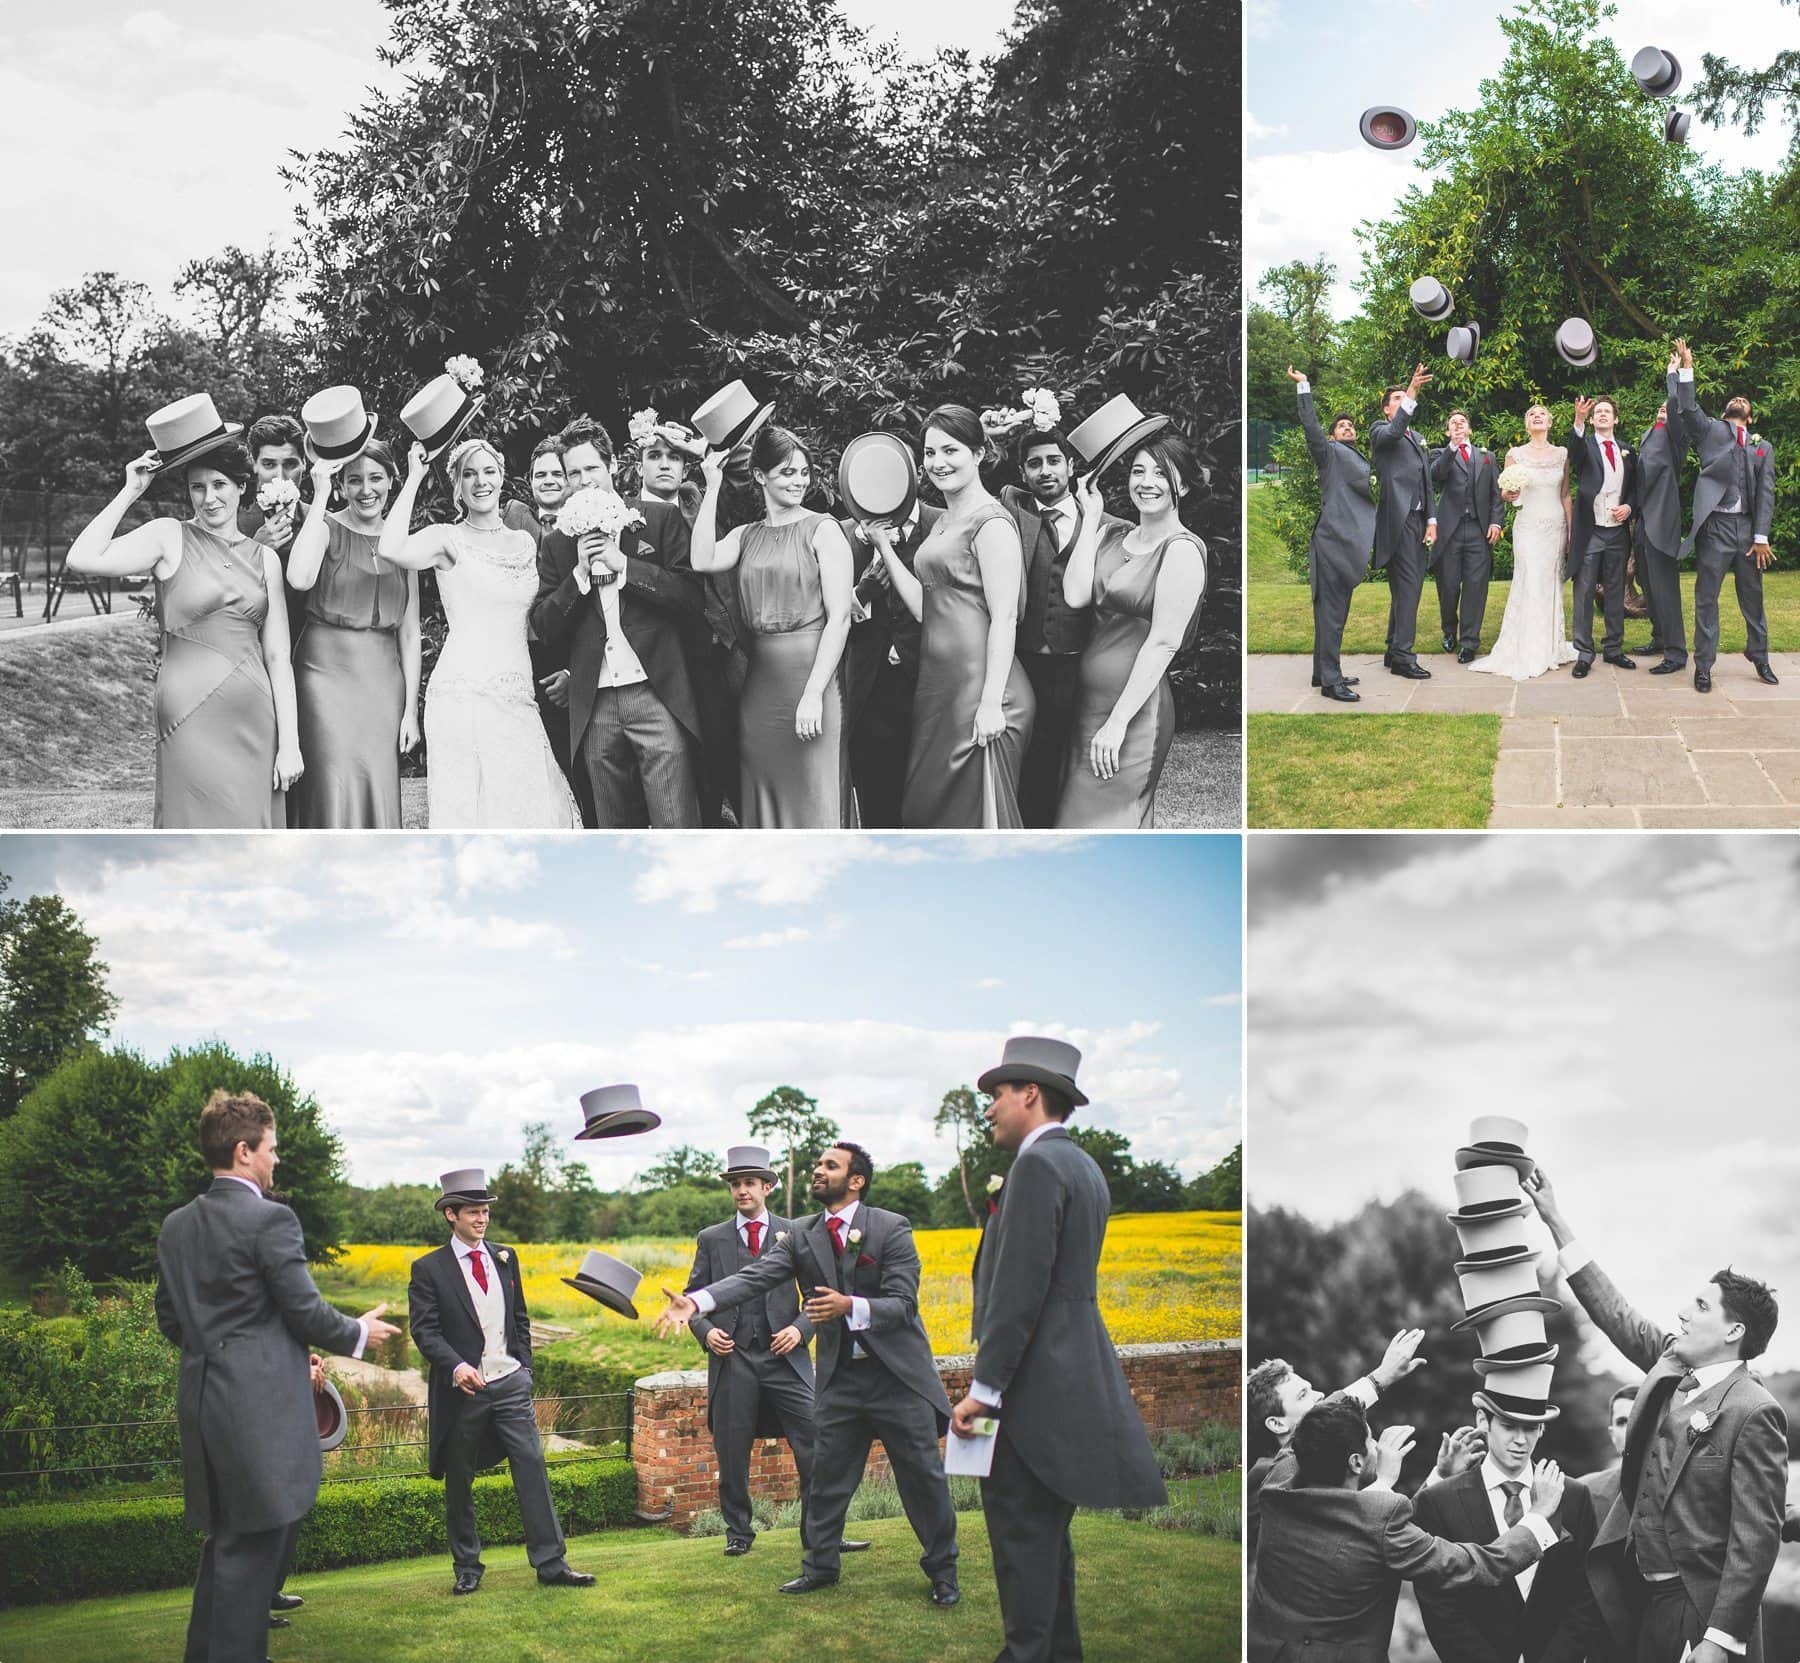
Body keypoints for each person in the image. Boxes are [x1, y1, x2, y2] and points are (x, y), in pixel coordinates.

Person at [653, 1143, 960, 1607]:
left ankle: (943, 1573)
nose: (818, 1171)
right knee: (827, 1477)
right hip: (840, 1382)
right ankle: (819, 1567)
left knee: (921, 1479)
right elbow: (755, 1277)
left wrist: (849, 1306)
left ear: (855, 1181)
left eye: (829, 1166)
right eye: (817, 1165)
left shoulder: (891, 1227)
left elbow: (904, 1305)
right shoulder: (801, 1234)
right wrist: (697, 1302)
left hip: (898, 1380)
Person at [155, 1089, 396, 1663]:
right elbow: (304, 1310)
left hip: (203, 1404)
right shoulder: (270, 1220)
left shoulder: (176, 1226)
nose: (276, 1160)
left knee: (226, 1546)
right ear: (244, 1151)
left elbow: (171, 1319)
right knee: (251, 1550)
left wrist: (230, 1354)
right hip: (255, 1414)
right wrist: (358, 1333)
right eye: (271, 1149)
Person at [949, 1037, 1166, 1662]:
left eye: (995, 1096)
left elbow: (1019, 1294)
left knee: (1021, 1542)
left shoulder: (1038, 1167)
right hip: (1073, 1379)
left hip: (1031, 1392)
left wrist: (984, 1394)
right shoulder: (1085, 1167)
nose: (988, 1109)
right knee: (1047, 1547)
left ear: (1030, 1094)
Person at [1527, 1168, 1787, 1663]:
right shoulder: (1670, 1364)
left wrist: (1720, 1639)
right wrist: (1555, 1220)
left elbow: (1755, 1540)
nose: (1683, 1312)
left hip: (1703, 1612)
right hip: (1648, 1602)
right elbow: (1615, 1312)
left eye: (1700, 1305)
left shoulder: (1755, 1411)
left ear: (1733, 1331)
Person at [65, 411, 300, 827]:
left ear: (242, 486)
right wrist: (130, 491)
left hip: (254, 717)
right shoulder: (168, 536)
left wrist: (290, 745)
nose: (210, 498)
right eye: (198, 487)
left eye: (219, 485)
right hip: (187, 713)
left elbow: (279, 656)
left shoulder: (265, 558)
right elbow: (81, 558)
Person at [1249, 1397, 1564, 1663]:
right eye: (1372, 1441)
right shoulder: (1379, 1522)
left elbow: (1371, 1532)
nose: (1379, 1447)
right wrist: (1537, 1518)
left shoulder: (1274, 1490)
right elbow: (1471, 1565)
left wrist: (1439, 1477)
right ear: (1356, 1462)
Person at [408, 1170, 595, 1596]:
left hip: (511, 1382)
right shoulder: (428, 1270)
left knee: (531, 1466)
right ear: (450, 1214)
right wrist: (456, 1367)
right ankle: (467, 1567)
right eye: (473, 1211)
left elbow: (521, 1319)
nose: (482, 1218)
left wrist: (524, 1369)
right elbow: (425, 1332)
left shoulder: (506, 1257)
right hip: (464, 1391)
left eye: (486, 1210)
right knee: (460, 1481)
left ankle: (551, 1563)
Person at [685, 1145, 875, 1560]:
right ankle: (738, 1532)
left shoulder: (800, 1232)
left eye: (750, 1183)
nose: (741, 1191)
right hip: (733, 1358)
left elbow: (818, 1294)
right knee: (732, 1453)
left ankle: (823, 1534)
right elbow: (692, 1298)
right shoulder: (711, 1239)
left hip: (785, 1359)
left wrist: (799, 1328)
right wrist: (707, 1332)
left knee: (816, 1444)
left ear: (768, 1187)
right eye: (735, 1184)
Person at [378, 437, 580, 828]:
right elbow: (391, 547)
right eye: (468, 474)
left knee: (535, 808)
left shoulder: (524, 541)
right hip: (462, 694)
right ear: (457, 484)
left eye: (488, 471)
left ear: (502, 477)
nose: (480, 481)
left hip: (517, 694)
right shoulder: (446, 539)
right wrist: (416, 475)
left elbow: (544, 614)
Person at [529, 415, 705, 827]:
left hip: (656, 691)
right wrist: (577, 578)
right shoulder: (557, 545)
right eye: (574, 473)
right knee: (612, 828)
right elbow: (544, 625)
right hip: (595, 703)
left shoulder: (658, 519)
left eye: (591, 468)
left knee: (674, 821)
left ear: (609, 467)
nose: (584, 480)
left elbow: (690, 598)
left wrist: (624, 565)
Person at [690, 427, 855, 826]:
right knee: (765, 787)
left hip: (815, 678)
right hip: (761, 685)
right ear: (760, 476)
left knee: (816, 792)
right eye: (786, 473)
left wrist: (814, 693)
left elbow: (841, 617)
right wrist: (711, 486)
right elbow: (701, 559)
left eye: (803, 472)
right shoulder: (746, 535)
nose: (798, 482)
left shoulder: (824, 529)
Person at [893, 405, 1036, 827]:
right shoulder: (942, 522)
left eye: (950, 450)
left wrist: (991, 702)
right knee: (930, 810)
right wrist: (884, 549)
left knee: (978, 816)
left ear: (978, 453)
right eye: (930, 452)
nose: (938, 462)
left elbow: (1006, 617)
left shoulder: (990, 523)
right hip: (939, 690)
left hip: (984, 690)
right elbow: (928, 608)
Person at [1054, 433, 1206, 827]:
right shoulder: (1110, 534)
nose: (1146, 482)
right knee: (1073, 823)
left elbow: (1163, 642)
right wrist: (1090, 518)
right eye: (1138, 471)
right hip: (1086, 705)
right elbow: (1074, 595)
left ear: (1184, 485)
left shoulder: (1182, 550)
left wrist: (1118, 722)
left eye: (1161, 473)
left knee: (1108, 824)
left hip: (1134, 712)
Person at [1410, 1393, 1605, 1663]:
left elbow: (1585, 1591)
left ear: (1542, 1428)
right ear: (1483, 1420)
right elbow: (1439, 1604)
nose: (1521, 1440)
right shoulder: (1440, 1499)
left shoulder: (1572, 1494)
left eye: (1530, 1428)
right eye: (1509, 1426)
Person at [284, 440, 419, 827]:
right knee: (331, 780)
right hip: (323, 678)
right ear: (342, 484)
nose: (366, 489)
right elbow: (298, 577)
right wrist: (321, 495)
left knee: (376, 780)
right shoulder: (326, 528)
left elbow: (409, 635)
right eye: (354, 480)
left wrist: (410, 711)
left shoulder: (404, 542)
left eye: (376, 478)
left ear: (392, 480)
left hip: (382, 684)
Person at [999, 425, 1113, 824]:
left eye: (1053, 461)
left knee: (1070, 759)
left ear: (1070, 465)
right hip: (1024, 661)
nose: (1045, 471)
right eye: (1034, 464)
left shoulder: (1103, 524)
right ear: (1022, 472)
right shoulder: (1011, 512)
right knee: (1027, 761)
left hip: (1076, 662)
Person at [1244, 1331, 1430, 1565]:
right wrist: (1380, 1377)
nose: (1321, 1395)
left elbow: (1387, 1527)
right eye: (1304, 1395)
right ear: (1277, 1423)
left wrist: (1438, 1476)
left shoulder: (1327, 1466)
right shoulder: (1266, 1475)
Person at [636, 417, 740, 826]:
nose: (664, 464)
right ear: (639, 465)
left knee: (720, 753)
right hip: (657, 657)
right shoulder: (625, 514)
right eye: (654, 456)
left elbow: (743, 476)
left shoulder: (701, 500)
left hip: (712, 652)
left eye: (674, 457)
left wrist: (702, 452)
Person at [1674, 339, 1779, 692]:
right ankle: (1703, 666)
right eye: (1734, 401)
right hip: (1715, 527)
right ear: (1726, 413)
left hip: (1748, 530)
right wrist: (1686, 368)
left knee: (1753, 596)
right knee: (1706, 597)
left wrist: (1761, 536)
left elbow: (1766, 494)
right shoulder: (1710, 432)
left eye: (1745, 402)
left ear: (1749, 417)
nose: (1739, 401)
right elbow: (1687, 409)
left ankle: (1759, 656)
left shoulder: (1761, 447)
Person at [840, 496, 942, 827]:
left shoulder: (945, 523)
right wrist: (860, 595)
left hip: (935, 686)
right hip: (871, 690)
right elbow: (820, 610)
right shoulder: (842, 534)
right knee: (878, 802)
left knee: (935, 801)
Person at [1287, 366, 1376, 701]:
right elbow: (1311, 426)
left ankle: (1322, 672)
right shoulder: (1328, 454)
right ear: (1332, 436)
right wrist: (1304, 387)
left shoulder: (1354, 455)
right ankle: (1330, 682)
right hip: (1331, 543)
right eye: (1342, 426)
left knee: (1332, 613)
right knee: (1332, 614)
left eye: (1351, 425)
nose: (1348, 427)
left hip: (1345, 544)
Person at [1470, 406, 1577, 682]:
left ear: (1550, 422)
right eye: (1531, 414)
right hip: (1528, 527)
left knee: (1551, 583)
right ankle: (1528, 649)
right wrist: (1509, 493)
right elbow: (1505, 493)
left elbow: (1565, 495)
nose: (1537, 416)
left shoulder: (1562, 454)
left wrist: (1571, 531)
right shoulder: (1514, 454)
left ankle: (1551, 646)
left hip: (1555, 526)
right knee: (1529, 580)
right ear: (1526, 423)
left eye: (1542, 413)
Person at [1371, 363, 1438, 680]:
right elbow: (1397, 429)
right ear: (1386, 410)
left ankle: (1392, 648)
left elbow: (1427, 483)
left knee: (1405, 590)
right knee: (1409, 588)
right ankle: (1404, 657)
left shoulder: (1419, 438)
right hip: (1398, 523)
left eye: (1404, 397)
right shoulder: (1381, 432)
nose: (1401, 401)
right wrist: (1412, 389)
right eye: (1395, 399)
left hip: (1420, 521)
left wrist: (1432, 519)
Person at [1566, 395, 1640, 678]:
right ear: (1593, 419)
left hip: (1617, 533)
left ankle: (1613, 649)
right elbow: (1573, 454)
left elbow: (1635, 488)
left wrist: (1629, 507)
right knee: (1584, 591)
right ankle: (1584, 653)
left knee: (1614, 590)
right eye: (1598, 412)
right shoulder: (1584, 446)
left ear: (1616, 419)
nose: (1603, 415)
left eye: (1607, 411)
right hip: (1591, 531)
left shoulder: (1627, 450)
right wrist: (1579, 420)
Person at [1429, 410, 1504, 663]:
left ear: (1470, 429)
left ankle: (1469, 642)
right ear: (1448, 431)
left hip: (1478, 530)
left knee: (1475, 587)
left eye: (1462, 422)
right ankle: (1449, 630)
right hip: (1449, 531)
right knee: (1448, 586)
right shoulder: (1440, 454)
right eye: (1453, 423)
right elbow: (1437, 475)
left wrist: (1496, 521)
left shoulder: (1487, 457)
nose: (1458, 425)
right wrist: (1452, 447)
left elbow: (1496, 494)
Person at [1636, 362, 1688, 674]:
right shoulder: (1648, 435)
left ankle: (1676, 653)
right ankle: (1658, 638)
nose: (1662, 410)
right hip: (1642, 523)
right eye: (1659, 409)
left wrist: (1674, 375)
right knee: (1648, 585)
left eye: (1666, 409)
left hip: (1662, 523)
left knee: (1666, 588)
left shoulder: (1675, 439)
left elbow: (1675, 404)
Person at [1581, 1384, 1638, 1521]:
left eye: (1639, 1418)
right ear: (1612, 1434)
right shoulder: (1585, 1491)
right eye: (1622, 1422)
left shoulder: (1683, 1489)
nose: (1630, 1429)